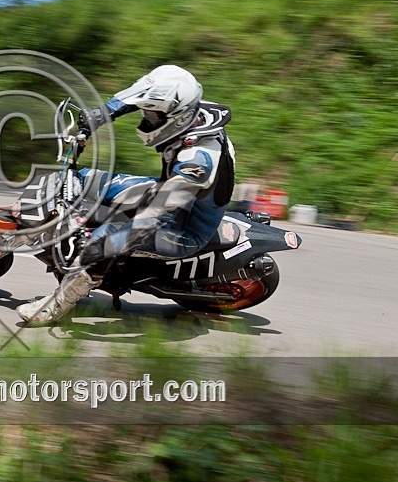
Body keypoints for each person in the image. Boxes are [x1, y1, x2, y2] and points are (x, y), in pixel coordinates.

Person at [16, 64, 236, 324]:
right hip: (167, 191)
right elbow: (135, 97)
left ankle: (59, 304)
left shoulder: (196, 162)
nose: (145, 118)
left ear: (174, 118)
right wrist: (101, 113)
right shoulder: (194, 110)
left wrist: (103, 244)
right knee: (81, 179)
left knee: (102, 242)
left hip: (182, 227)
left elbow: (155, 218)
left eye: (151, 115)